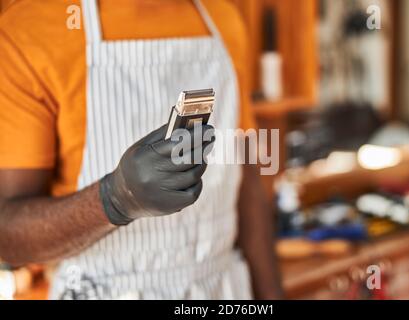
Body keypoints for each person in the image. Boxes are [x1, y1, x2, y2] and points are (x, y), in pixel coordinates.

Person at [0, 0, 282, 299]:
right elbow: (8, 234)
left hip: (223, 290)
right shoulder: (32, 29)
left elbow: (244, 176)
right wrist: (114, 198)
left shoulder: (222, 16)